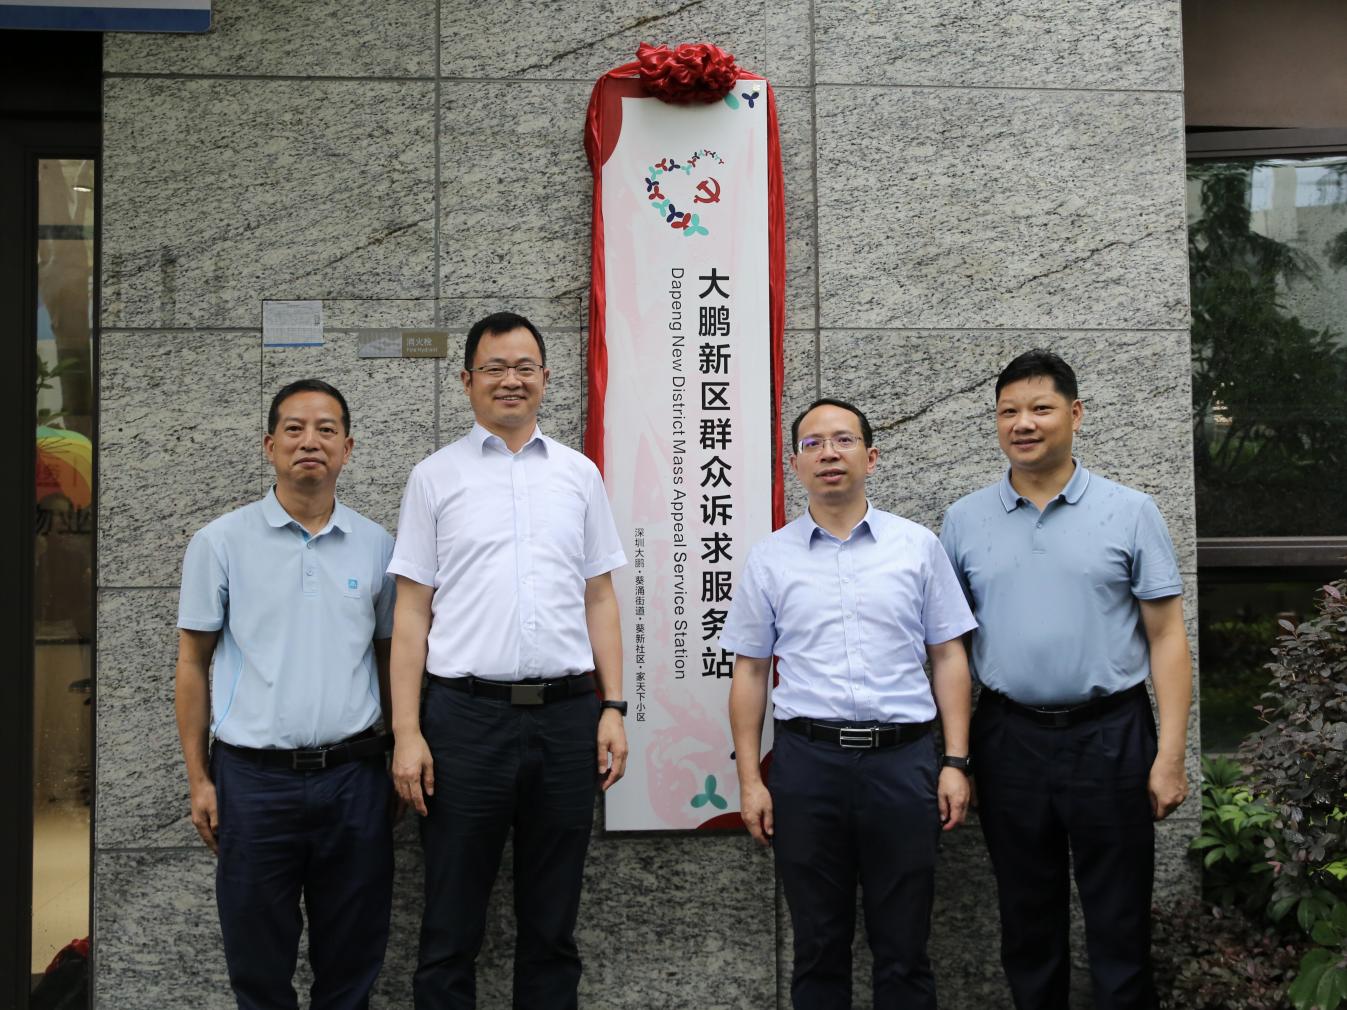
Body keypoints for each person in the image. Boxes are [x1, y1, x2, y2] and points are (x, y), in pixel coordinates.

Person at [387, 311, 628, 1010]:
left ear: (545, 379)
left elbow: (600, 598)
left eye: (524, 367)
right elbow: (411, 613)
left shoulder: (579, 475)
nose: (510, 380)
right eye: (494, 368)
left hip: (566, 718)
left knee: (552, 923)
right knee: (450, 922)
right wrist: (407, 732)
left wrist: (613, 708)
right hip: (464, 722)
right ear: (467, 381)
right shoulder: (434, 478)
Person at [939, 349, 1191, 1010]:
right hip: (1008, 737)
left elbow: (1166, 637)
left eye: (1040, 408)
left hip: (1111, 734)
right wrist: (957, 757)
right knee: (1026, 919)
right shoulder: (964, 520)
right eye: (1008, 412)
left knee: (1120, 918)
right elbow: (949, 646)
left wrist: (1169, 756)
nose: (1023, 423)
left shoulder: (1130, 511)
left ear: (1074, 415)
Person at [722, 397, 978, 1010]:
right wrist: (751, 779)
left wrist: (955, 761)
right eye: (813, 444)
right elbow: (750, 671)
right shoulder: (770, 557)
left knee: (905, 946)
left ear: (871, 455)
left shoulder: (917, 547)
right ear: (795, 464)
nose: (829, 454)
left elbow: (948, 656)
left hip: (903, 763)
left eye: (843, 440)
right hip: (808, 766)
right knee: (817, 946)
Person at [174, 378, 397, 1010]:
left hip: (354, 778)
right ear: (269, 445)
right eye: (294, 429)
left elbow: (391, 657)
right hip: (252, 782)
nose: (310, 442)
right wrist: (199, 779)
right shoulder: (221, 542)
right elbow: (192, 663)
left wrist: (397, 753)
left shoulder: (377, 545)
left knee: (352, 960)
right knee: (258, 963)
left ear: (348, 448)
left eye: (326, 430)